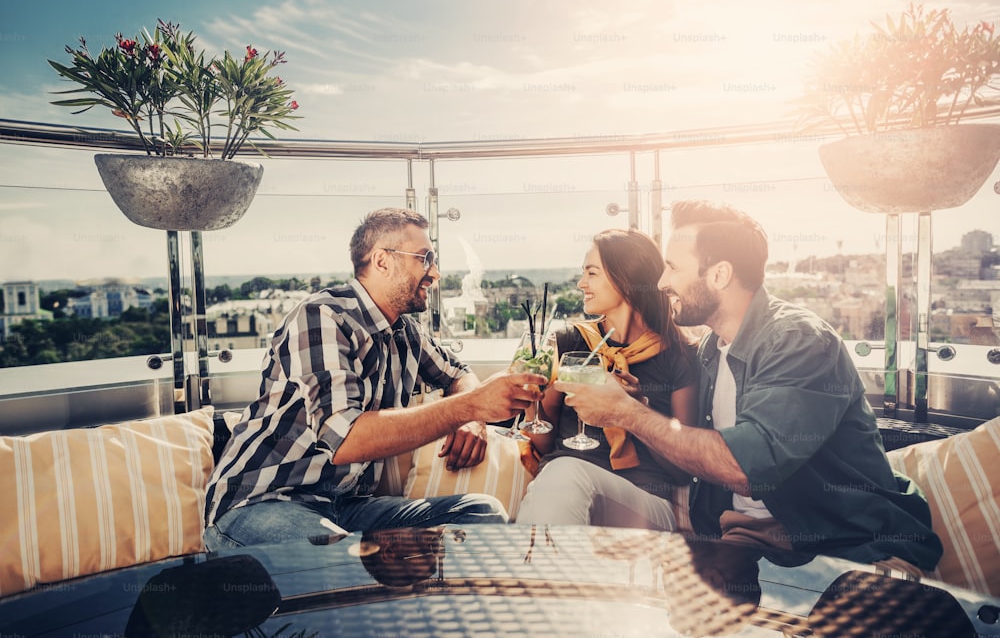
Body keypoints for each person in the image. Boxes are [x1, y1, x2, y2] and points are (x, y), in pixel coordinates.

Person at [555, 200, 942, 572]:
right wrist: (636, 402)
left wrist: (627, 413)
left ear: (719, 275)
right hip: (749, 540)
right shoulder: (709, 348)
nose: (661, 281)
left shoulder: (797, 340)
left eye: (673, 268)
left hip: (850, 544)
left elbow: (744, 467)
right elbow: (695, 446)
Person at [204, 208, 544, 549]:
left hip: (347, 509)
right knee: (340, 558)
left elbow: (459, 374)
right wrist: (468, 406)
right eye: (425, 258)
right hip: (263, 504)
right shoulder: (321, 317)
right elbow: (347, 439)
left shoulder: (405, 332)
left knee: (482, 513)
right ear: (382, 261)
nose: (435, 273)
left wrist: (473, 420)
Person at [515, 229, 699, 530]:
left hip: (644, 503)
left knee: (566, 474)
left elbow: (682, 470)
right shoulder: (569, 342)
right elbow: (546, 446)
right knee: (563, 474)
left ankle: (534, 574)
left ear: (625, 278)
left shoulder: (679, 355)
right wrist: (531, 404)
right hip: (563, 488)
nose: (581, 283)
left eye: (592, 273)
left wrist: (633, 411)